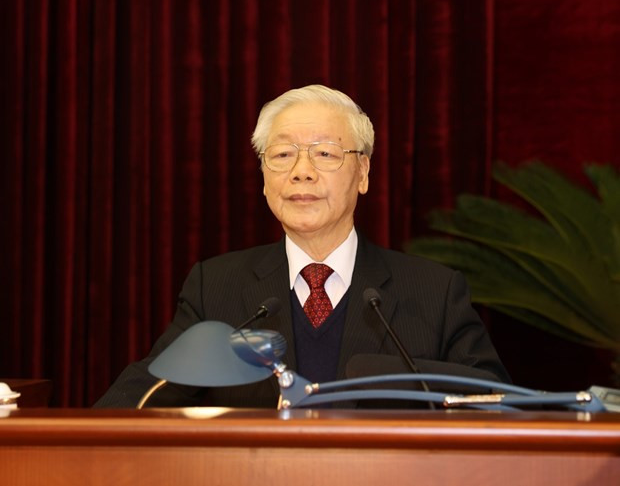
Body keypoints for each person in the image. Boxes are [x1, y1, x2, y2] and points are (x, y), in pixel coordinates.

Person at [95, 85, 510, 408]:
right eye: (282, 155)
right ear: (263, 177)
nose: (301, 172)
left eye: (325, 153)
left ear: (363, 172)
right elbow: (139, 401)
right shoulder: (216, 288)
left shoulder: (435, 292)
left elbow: (498, 411)